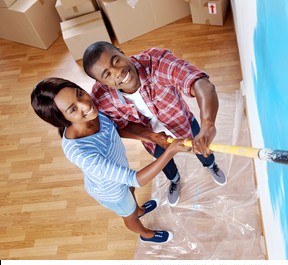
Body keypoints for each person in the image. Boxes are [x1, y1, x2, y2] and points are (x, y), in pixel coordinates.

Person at [31, 77, 190, 243]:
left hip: (120, 175)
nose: (85, 105)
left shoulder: (95, 115)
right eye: (73, 109)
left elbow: (115, 130)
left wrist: (152, 138)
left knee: (131, 192)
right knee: (129, 217)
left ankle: (139, 210)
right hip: (112, 192)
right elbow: (134, 179)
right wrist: (171, 151)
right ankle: (145, 234)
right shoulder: (81, 152)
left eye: (79, 94)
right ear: (61, 119)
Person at [82, 42, 227, 207]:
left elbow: (201, 84)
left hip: (183, 123)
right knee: (165, 162)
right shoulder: (101, 98)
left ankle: (211, 165)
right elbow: (120, 126)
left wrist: (208, 124)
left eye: (116, 61)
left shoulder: (156, 61)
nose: (118, 72)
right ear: (101, 82)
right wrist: (151, 136)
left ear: (121, 52)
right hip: (152, 139)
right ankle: (174, 180)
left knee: (203, 147)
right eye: (107, 74)